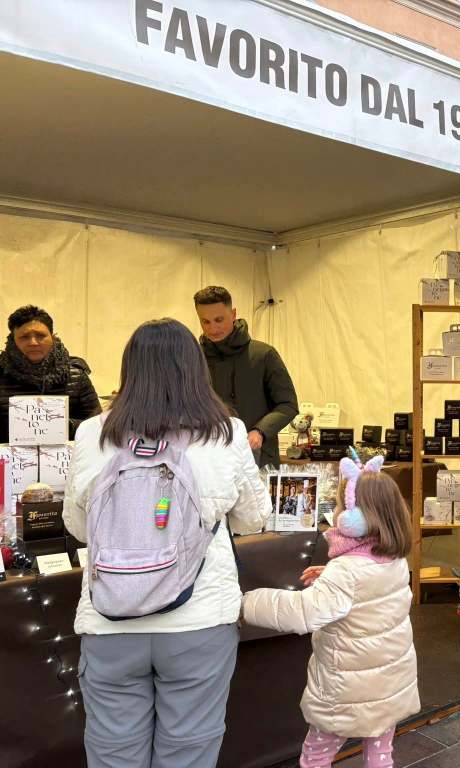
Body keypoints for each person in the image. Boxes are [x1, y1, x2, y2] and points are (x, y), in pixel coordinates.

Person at [62, 318, 271, 767]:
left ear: (129, 369)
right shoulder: (227, 432)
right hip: (198, 620)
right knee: (189, 751)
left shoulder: (91, 433)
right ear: (195, 368)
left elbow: (80, 529)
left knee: (113, 753)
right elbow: (254, 519)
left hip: (108, 619)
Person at [242, 464, 420, 768]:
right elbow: (370, 591)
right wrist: (330, 576)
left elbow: (304, 613)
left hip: (346, 690)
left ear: (354, 518)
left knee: (317, 756)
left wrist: (248, 602)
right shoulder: (394, 558)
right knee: (380, 753)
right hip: (388, 682)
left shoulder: (347, 571)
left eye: (339, 506)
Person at [194, 286, 298, 468]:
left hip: (258, 459)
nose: (213, 328)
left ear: (233, 314)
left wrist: (260, 431)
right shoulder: (194, 359)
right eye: (206, 322)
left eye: (219, 319)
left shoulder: (264, 355)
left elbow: (287, 404)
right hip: (209, 461)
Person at [0, 305, 101, 442]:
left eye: (41, 336)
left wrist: (64, 425)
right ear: (12, 339)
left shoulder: (76, 375)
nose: (33, 342)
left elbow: (98, 426)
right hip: (11, 459)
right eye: (24, 337)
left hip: (66, 459)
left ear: (52, 337)